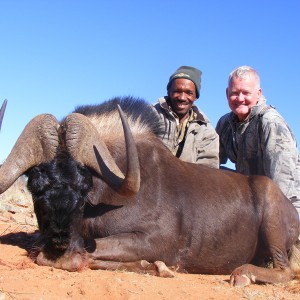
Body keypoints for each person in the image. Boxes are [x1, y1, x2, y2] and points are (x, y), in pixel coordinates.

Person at [216, 65, 300, 217]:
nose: (240, 98)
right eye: (235, 93)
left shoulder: (270, 122)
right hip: (253, 200)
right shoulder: (224, 123)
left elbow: (284, 184)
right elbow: (212, 161)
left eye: (246, 93)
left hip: (284, 206)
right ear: (227, 93)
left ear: (258, 93)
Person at [152, 66, 219, 168]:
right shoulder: (149, 115)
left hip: (187, 182)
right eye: (177, 91)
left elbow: (209, 169)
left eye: (189, 93)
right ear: (168, 92)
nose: (182, 98)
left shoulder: (207, 131)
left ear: (196, 96)